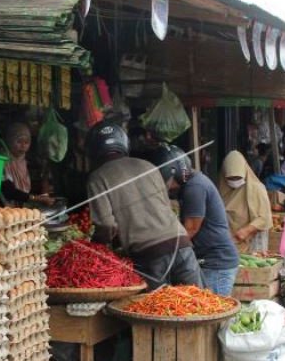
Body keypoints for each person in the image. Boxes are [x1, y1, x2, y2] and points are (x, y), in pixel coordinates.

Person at [85, 122, 202, 291]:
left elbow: (106, 224)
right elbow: (166, 205)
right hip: (182, 245)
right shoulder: (148, 166)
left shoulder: (97, 178)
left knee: (157, 312)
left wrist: (97, 246)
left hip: (149, 255)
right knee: (201, 306)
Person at [143, 145, 239, 296]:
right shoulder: (191, 184)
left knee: (211, 313)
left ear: (176, 173)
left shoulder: (195, 187)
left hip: (216, 263)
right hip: (209, 260)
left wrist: (163, 250)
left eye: (167, 181)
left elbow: (191, 229)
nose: (168, 187)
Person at [217, 150, 273, 253]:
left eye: (238, 177)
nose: (234, 181)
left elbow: (265, 218)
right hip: (228, 243)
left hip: (251, 242)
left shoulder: (257, 189)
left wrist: (247, 230)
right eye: (230, 178)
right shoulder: (222, 188)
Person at [0, 122, 54, 207]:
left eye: (26, 142)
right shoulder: (2, 161)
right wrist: (37, 199)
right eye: (19, 141)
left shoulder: (27, 163)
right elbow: (9, 191)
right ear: (10, 141)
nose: (23, 146)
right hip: (3, 211)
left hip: (23, 211)